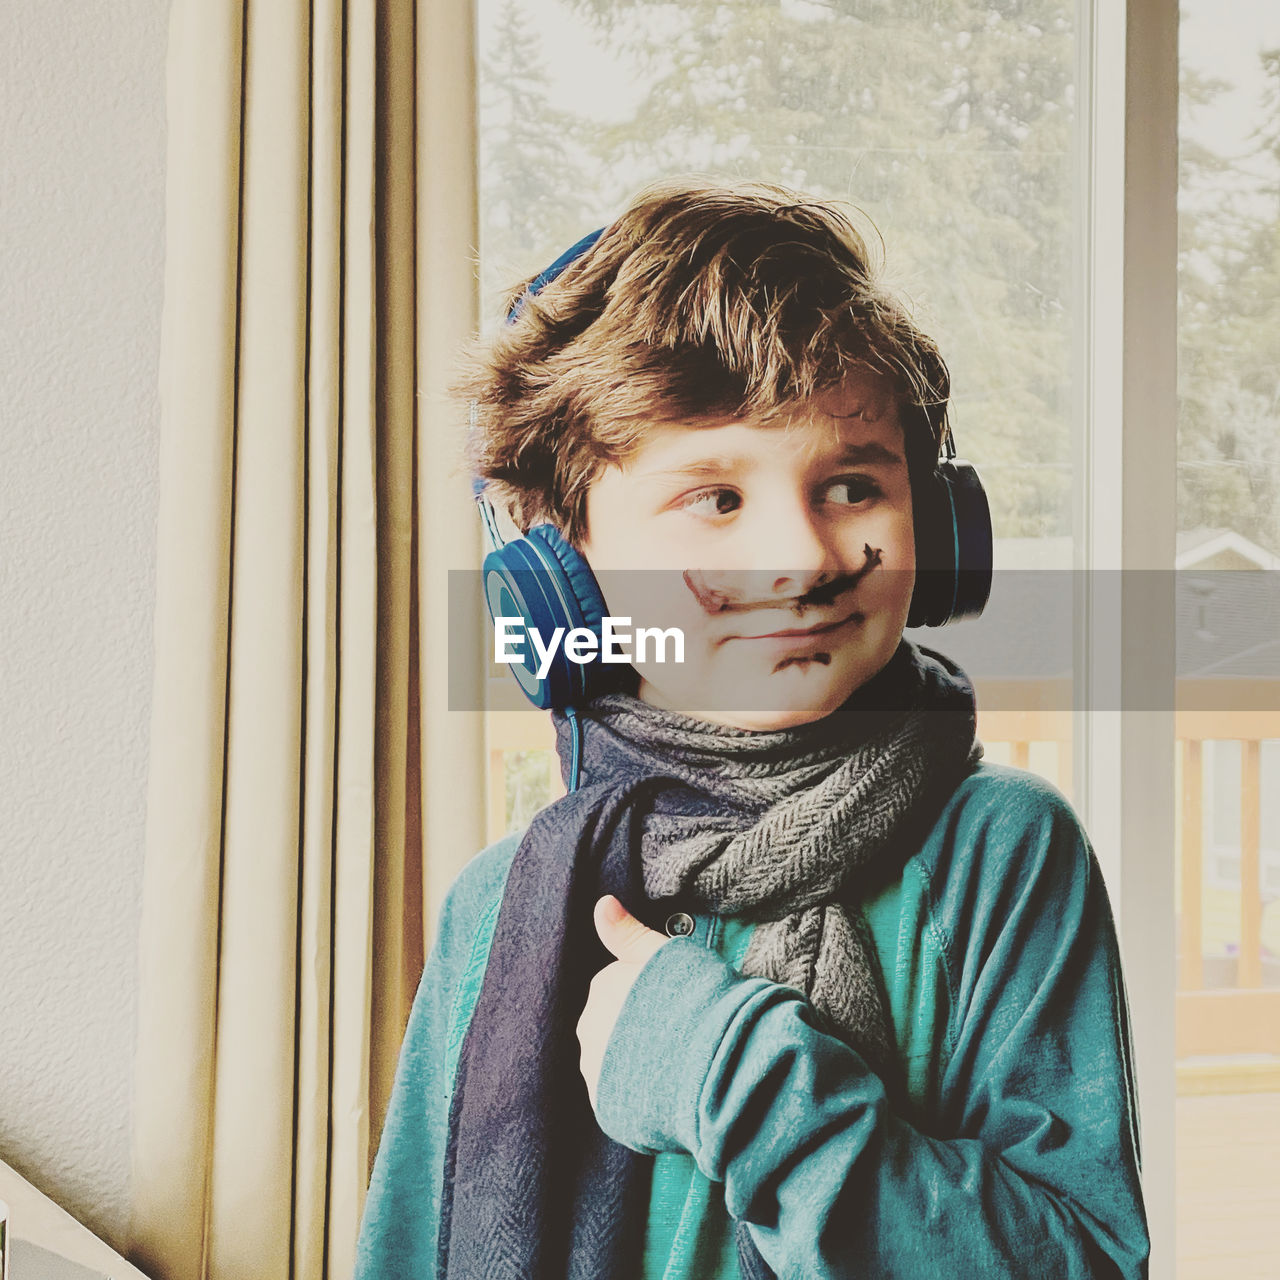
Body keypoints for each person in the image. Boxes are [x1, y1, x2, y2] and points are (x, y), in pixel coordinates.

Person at [353, 177, 1149, 1278]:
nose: (806, 557)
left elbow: (1083, 1260)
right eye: (715, 497)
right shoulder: (499, 903)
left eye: (851, 483)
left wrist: (735, 1075)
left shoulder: (1003, 854)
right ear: (561, 571)